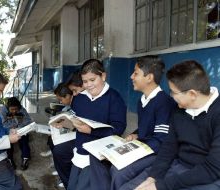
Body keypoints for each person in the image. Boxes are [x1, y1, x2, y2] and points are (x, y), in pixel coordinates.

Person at [133, 60, 220, 190]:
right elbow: (169, 147)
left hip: (208, 177)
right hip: (178, 166)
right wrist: (153, 177)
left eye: (173, 92)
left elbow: (212, 169)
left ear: (192, 94)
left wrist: (160, 186)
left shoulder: (217, 113)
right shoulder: (180, 109)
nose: (171, 96)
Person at [110, 55, 176, 190]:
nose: (131, 77)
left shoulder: (164, 102)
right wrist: (135, 135)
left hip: (156, 152)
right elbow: (145, 129)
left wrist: (136, 150)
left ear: (149, 78)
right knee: (115, 167)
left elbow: (161, 139)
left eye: (135, 73)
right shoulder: (142, 100)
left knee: (119, 173)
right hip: (145, 147)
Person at [67, 59, 127, 190]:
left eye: (92, 80)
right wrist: (66, 123)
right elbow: (74, 118)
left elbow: (118, 129)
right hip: (79, 151)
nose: (88, 85)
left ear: (103, 76)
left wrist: (91, 131)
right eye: (85, 81)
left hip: (99, 156)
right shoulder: (79, 98)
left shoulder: (114, 98)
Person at [0, 97, 32, 170]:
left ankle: (25, 158)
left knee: (24, 139)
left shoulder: (21, 109)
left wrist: (19, 126)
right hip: (8, 130)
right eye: (12, 109)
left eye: (16, 109)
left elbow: (28, 120)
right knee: (7, 142)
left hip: (20, 129)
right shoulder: (3, 111)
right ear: (8, 107)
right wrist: (13, 127)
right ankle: (9, 159)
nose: (14, 111)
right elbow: (2, 124)